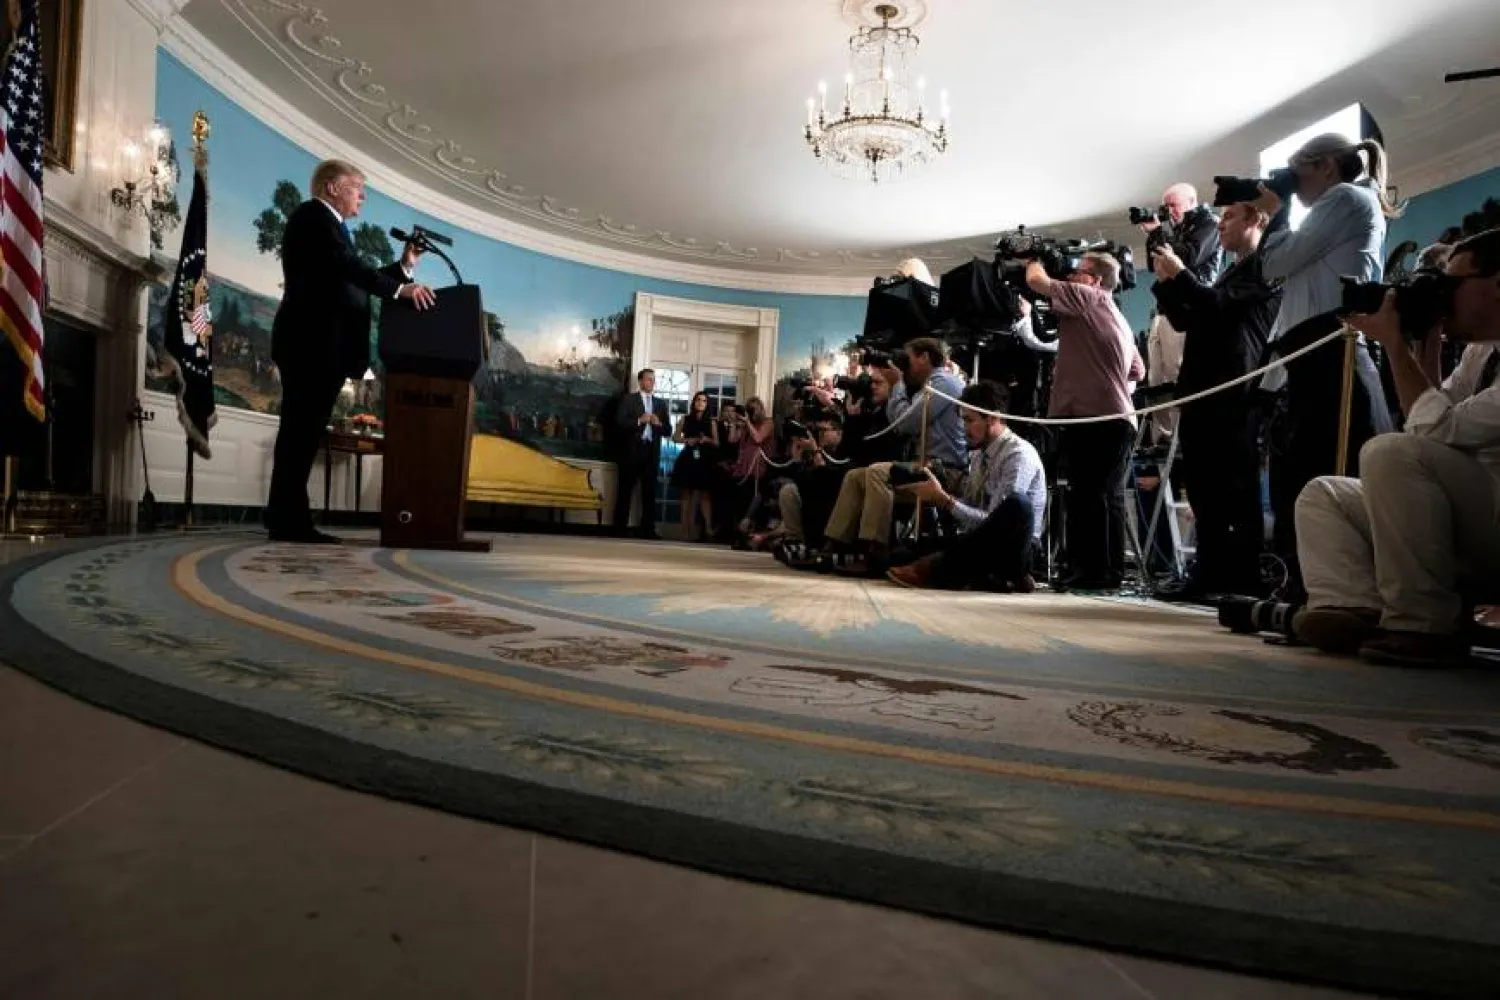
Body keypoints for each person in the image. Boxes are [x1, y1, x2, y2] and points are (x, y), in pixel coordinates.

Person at [1293, 228, 1500, 668]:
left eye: (1452, 284)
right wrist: (1423, 347)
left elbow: (1439, 429)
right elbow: (1429, 424)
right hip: (1478, 509)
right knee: (1325, 494)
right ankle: (1354, 608)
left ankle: (1424, 625)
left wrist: (1391, 345)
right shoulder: (1480, 354)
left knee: (1388, 453)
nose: (1443, 297)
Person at [1246, 133, 1402, 594]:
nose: (1295, 185)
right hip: (1317, 350)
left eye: (1300, 173)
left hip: (1334, 347)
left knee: (1326, 472)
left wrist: (1277, 212)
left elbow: (1275, 265)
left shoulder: (1346, 197)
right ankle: (1312, 586)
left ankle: (1333, 590)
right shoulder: (1345, 201)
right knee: (1304, 470)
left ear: (1328, 167)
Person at [265, 159, 436, 544]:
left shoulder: (334, 230)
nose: (363, 195)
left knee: (303, 434)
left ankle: (288, 520)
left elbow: (352, 283)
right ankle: (288, 522)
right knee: (299, 434)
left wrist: (404, 267)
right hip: (309, 345)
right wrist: (400, 289)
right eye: (357, 186)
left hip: (322, 348)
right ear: (331, 187)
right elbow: (349, 268)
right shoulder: (312, 217)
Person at [1151, 202, 1285, 597]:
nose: (1220, 225)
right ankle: (1208, 573)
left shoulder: (1265, 266)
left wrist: (1183, 275)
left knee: (1235, 488)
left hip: (1233, 390)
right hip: (1203, 388)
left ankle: (1241, 575)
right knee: (1204, 488)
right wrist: (1168, 282)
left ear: (1256, 220)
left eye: (1228, 217)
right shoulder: (1230, 270)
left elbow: (1219, 309)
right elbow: (1189, 320)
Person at [1025, 252, 1145, 590]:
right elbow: (1138, 370)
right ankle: (1108, 572)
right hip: (1119, 418)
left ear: (1094, 280)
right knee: (1109, 496)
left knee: (1086, 497)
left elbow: (1037, 281)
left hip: (1092, 417)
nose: (1071, 277)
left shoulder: (1088, 297)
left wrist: (1033, 258)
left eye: (1078, 272)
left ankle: (1088, 572)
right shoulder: (1117, 315)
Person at [886, 382, 1048, 592]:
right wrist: (939, 496)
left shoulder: (1018, 454)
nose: (964, 428)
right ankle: (987, 575)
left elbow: (995, 521)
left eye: (969, 420)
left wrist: (946, 500)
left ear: (992, 417)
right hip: (981, 542)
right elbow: (973, 513)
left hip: (1014, 547)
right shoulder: (979, 454)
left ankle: (938, 569)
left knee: (1018, 504)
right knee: (901, 554)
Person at [876, 338, 967, 477]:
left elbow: (906, 424)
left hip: (945, 468)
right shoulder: (928, 385)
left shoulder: (944, 383)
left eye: (909, 358)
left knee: (876, 474)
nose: (906, 364)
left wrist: (897, 384)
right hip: (926, 464)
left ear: (924, 357)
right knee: (855, 476)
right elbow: (896, 425)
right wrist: (894, 387)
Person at [612, 368, 672, 540]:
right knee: (625, 491)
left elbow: (668, 430)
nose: (652, 383)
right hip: (631, 452)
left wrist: (658, 423)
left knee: (650, 493)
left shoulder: (660, 404)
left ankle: (648, 530)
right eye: (648, 379)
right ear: (640, 381)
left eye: (653, 380)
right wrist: (640, 420)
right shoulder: (629, 399)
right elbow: (620, 421)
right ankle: (620, 529)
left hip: (651, 453)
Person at [669, 391, 719, 541]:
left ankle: (708, 529)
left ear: (707, 404)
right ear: (694, 402)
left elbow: (717, 442)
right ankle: (684, 531)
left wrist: (707, 440)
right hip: (688, 458)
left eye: (704, 401)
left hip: (704, 459)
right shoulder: (685, 419)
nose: (700, 403)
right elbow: (675, 437)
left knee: (705, 495)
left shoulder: (711, 421)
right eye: (698, 400)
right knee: (686, 495)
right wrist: (687, 440)